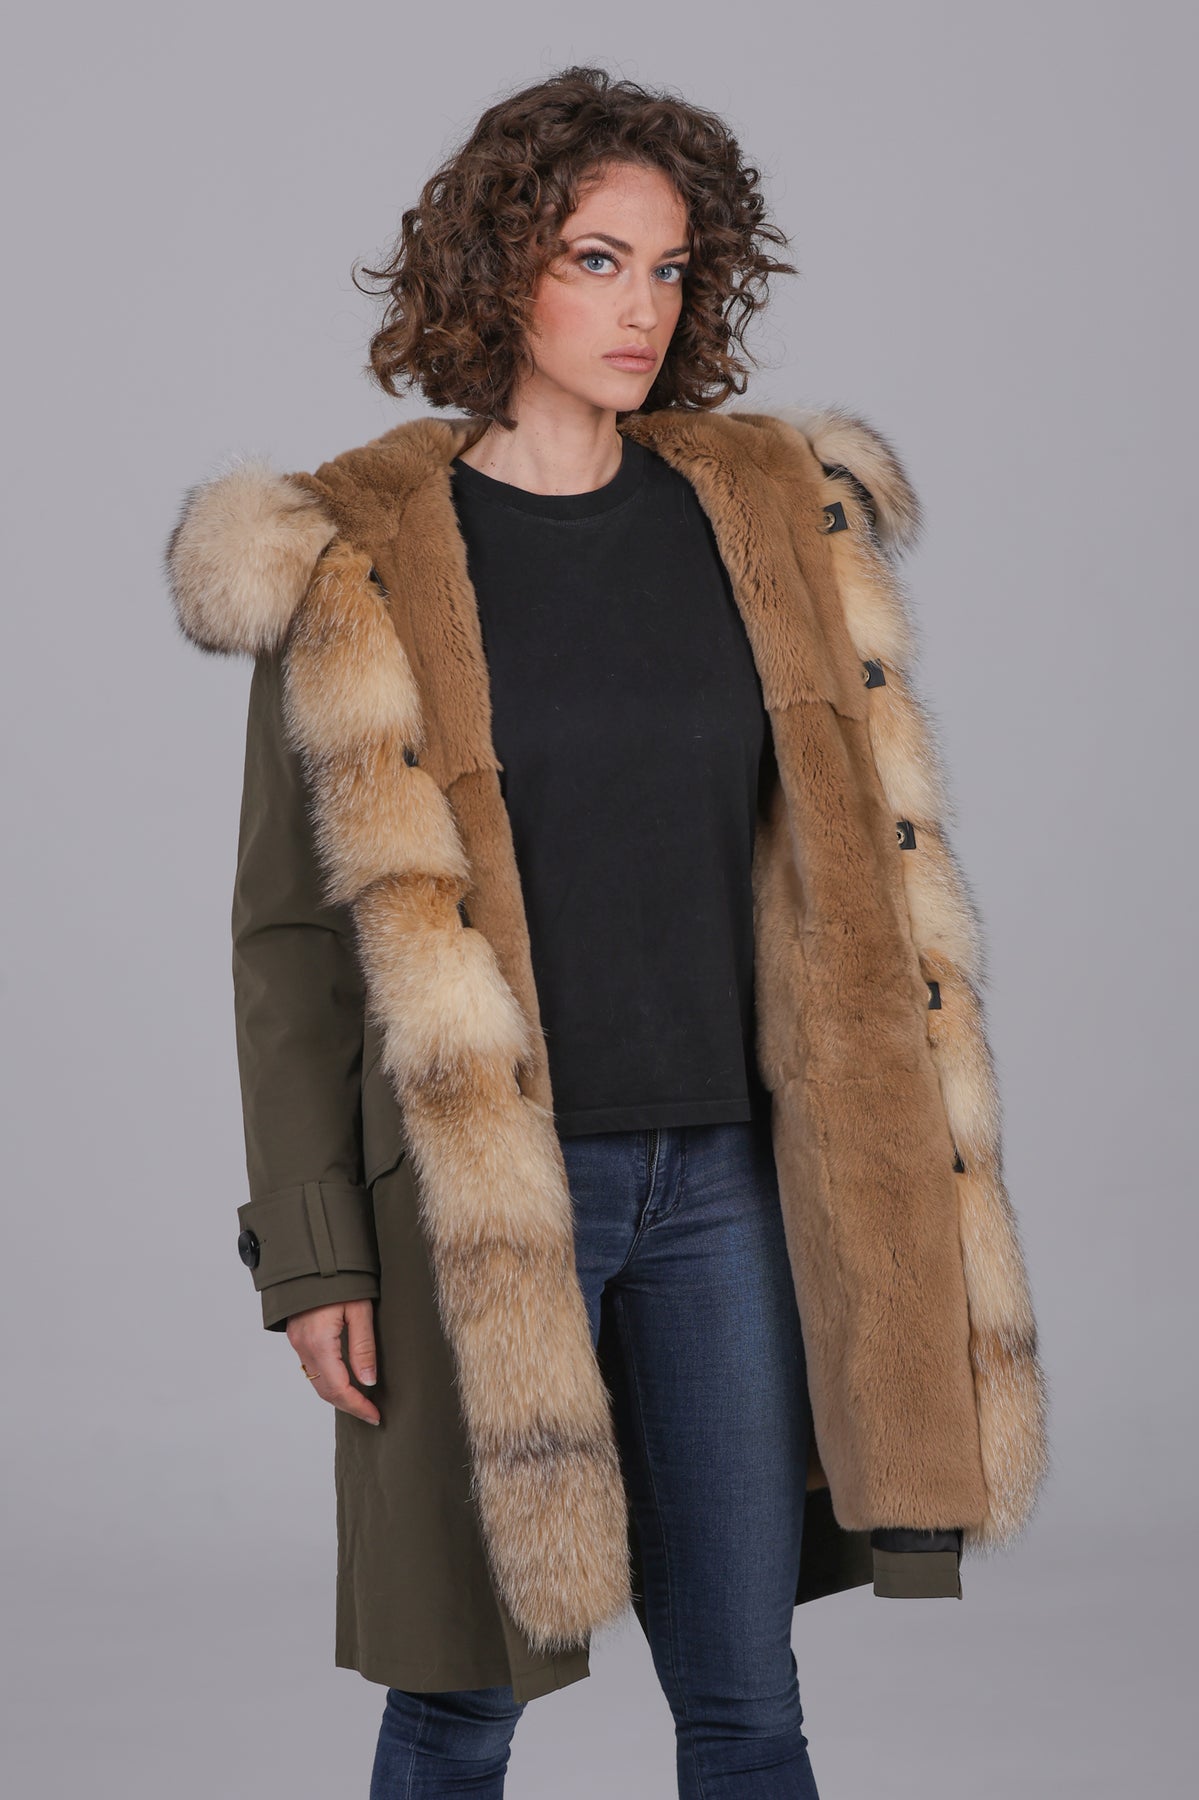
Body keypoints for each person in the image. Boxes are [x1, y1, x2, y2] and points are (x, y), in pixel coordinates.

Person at [165, 64, 1049, 1800]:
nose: (642, 306)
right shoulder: (359, 562)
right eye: (596, 260)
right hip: (487, 1199)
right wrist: (317, 1257)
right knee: (462, 1699)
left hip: (727, 1184)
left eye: (670, 267)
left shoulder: (768, 519)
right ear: (498, 268)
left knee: (747, 1698)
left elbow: (847, 868)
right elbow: (289, 947)